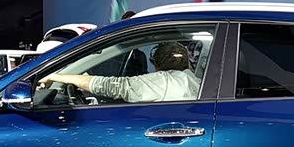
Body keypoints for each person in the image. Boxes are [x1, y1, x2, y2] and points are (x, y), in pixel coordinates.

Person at [39, 42, 197, 103]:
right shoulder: (195, 81)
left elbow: (113, 86)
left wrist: (56, 76)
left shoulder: (164, 82)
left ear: (157, 64)